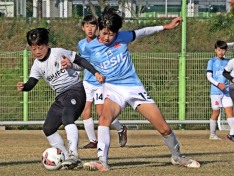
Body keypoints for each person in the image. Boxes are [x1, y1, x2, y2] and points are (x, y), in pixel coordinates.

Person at [81, 7, 200, 171]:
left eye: (111, 34)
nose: (107, 37)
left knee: (163, 127)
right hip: (113, 89)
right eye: (104, 33)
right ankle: (102, 161)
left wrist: (166, 27)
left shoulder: (123, 37)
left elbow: (143, 32)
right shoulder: (89, 47)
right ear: (98, 29)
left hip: (133, 88)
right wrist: (76, 68)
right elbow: (82, 64)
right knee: (104, 119)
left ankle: (177, 157)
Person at [16, 28, 104, 170]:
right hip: (60, 97)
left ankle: (73, 154)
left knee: (67, 117)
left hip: (75, 90)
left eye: (40, 47)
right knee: (48, 128)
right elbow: (32, 82)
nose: (37, 51)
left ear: (47, 44)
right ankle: (65, 159)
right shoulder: (37, 65)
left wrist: (95, 73)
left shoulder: (58, 53)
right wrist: (24, 86)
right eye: (33, 48)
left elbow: (80, 60)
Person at [78, 15, 127, 149]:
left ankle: (121, 128)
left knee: (102, 113)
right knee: (85, 111)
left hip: (100, 83)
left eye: (93, 26)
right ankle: (93, 141)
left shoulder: (103, 43)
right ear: (83, 27)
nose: (90, 29)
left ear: (98, 28)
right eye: (87, 26)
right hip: (87, 82)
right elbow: (82, 62)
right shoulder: (81, 44)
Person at [206, 40, 234, 141]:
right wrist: (218, 84)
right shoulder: (211, 61)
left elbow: (229, 75)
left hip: (226, 91)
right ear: (215, 50)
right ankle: (212, 134)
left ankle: (232, 134)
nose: (220, 52)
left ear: (226, 50)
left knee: (230, 111)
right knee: (216, 112)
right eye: (219, 50)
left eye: (223, 50)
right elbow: (209, 76)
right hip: (215, 92)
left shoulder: (228, 62)